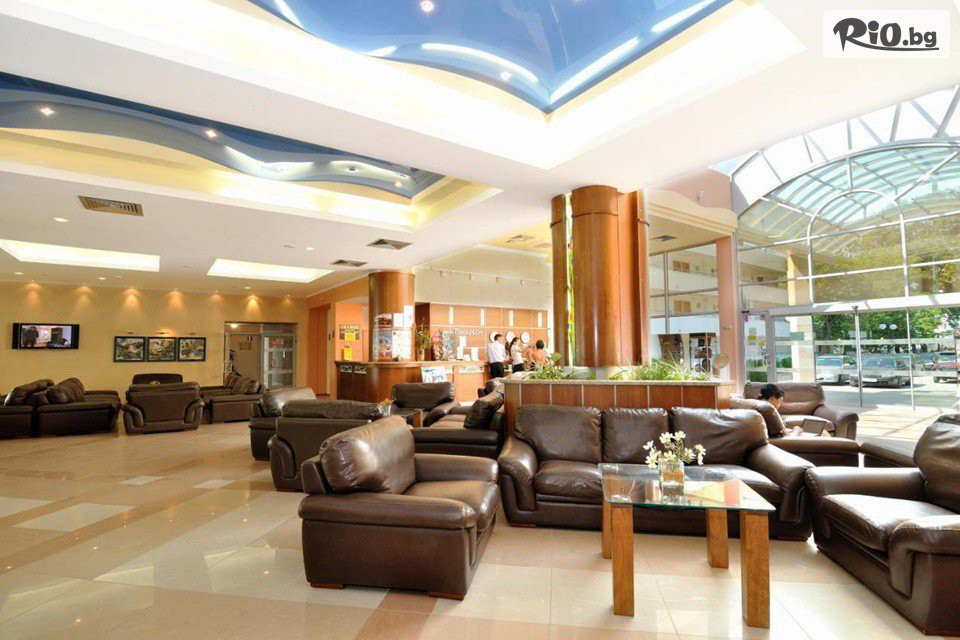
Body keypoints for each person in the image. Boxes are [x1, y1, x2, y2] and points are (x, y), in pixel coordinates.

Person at [758, 383, 831, 437]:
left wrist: (791, 430)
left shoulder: (758, 406)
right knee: (824, 434)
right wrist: (796, 431)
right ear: (772, 398)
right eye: (779, 402)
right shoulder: (769, 411)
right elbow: (786, 439)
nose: (779, 405)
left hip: (786, 437)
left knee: (822, 432)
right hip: (790, 442)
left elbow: (779, 431)